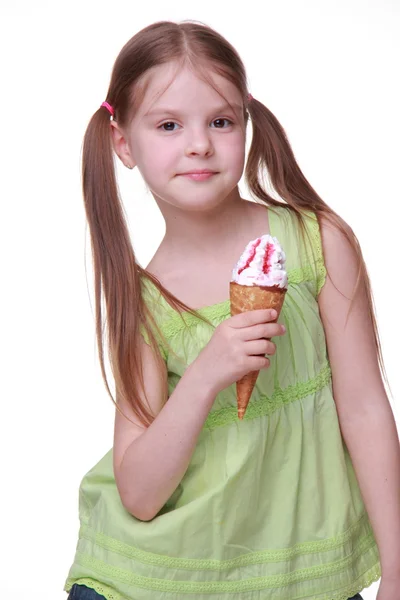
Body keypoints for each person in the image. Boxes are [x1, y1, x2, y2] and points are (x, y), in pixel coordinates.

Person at [64, 19, 400, 600]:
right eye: (169, 125)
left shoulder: (318, 243)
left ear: (246, 123)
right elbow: (140, 494)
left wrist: (396, 567)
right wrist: (206, 372)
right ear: (123, 143)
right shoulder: (143, 303)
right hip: (159, 576)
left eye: (220, 121)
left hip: (299, 569)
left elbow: (366, 409)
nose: (198, 143)